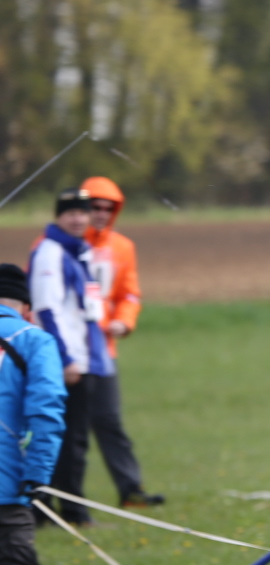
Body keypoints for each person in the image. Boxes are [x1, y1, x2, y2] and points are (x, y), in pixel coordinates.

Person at [75, 177, 162, 507]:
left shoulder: (122, 248)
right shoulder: (60, 246)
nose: (101, 214)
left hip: (103, 350)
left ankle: (130, 490)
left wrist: (124, 322)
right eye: (94, 207)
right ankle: (62, 500)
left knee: (109, 421)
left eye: (108, 209)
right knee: (68, 430)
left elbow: (129, 294)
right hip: (67, 351)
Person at [0, 262, 67, 565]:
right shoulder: (34, 340)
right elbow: (46, 412)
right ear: (26, 307)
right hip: (8, 487)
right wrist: (38, 475)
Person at [29, 189, 110, 525]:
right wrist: (64, 359)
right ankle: (67, 511)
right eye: (70, 213)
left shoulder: (79, 251)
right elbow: (46, 309)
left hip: (85, 355)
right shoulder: (50, 253)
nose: (78, 219)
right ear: (58, 216)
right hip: (68, 361)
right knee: (65, 438)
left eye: (82, 212)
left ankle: (53, 508)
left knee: (73, 438)